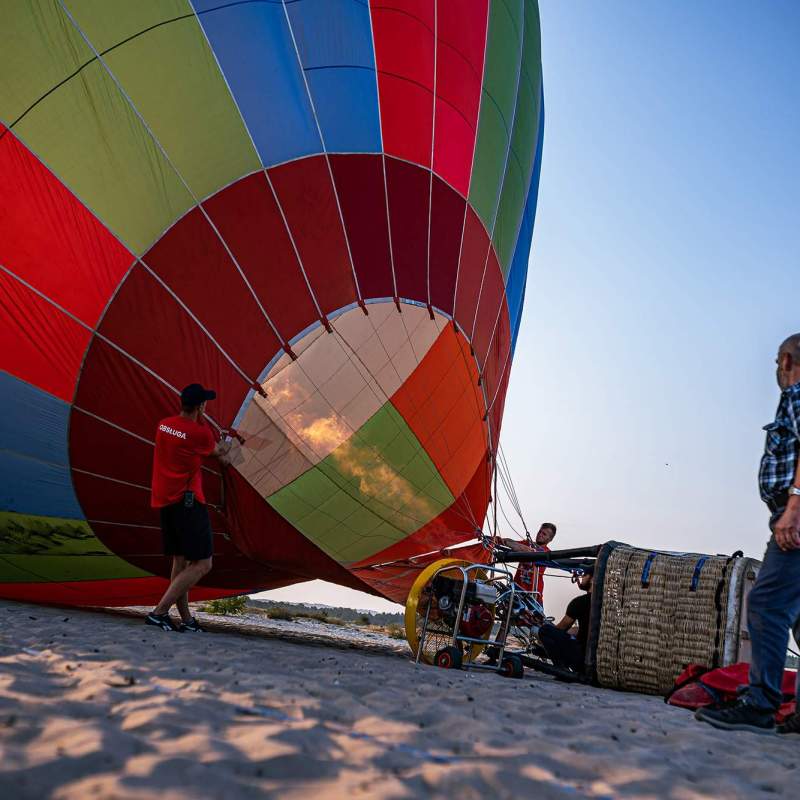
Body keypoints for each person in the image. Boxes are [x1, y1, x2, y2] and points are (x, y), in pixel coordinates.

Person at [696, 333, 800, 735]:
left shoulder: (796, 395)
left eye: (777, 361)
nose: (776, 368)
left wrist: (794, 506)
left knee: (767, 604)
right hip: (791, 513)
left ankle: (760, 705)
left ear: (787, 360)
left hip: (794, 519)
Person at [145, 383, 232, 633]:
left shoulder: (164, 425)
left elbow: (184, 438)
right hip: (188, 502)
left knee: (180, 561)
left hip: (165, 501)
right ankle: (159, 612)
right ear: (201, 406)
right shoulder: (199, 434)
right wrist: (230, 440)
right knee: (203, 564)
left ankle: (186, 620)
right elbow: (221, 454)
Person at [538, 568, 592, 673]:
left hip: (582, 661)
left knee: (545, 631)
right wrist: (574, 631)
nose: (581, 578)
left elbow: (561, 628)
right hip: (597, 661)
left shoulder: (579, 602)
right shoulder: (607, 603)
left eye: (585, 575)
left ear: (593, 579)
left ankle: (561, 669)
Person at [502, 522, 557, 607]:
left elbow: (524, 549)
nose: (540, 535)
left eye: (544, 534)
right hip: (517, 591)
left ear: (550, 539)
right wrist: (497, 539)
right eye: (540, 532)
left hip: (533, 596)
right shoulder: (528, 544)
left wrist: (517, 546)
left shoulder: (547, 553)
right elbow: (510, 542)